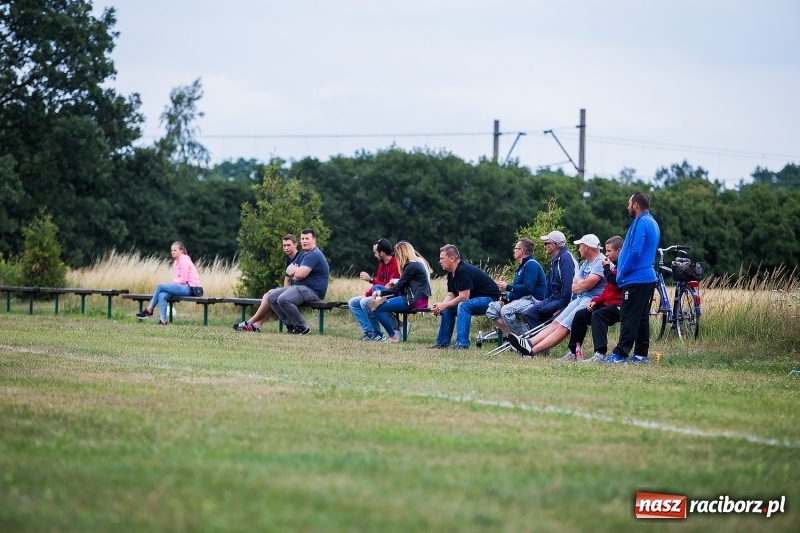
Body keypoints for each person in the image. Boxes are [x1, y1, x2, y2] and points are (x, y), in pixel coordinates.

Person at [509, 234, 606, 358]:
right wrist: (581, 284)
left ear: (587, 247)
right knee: (555, 322)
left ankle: (531, 351)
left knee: (564, 326)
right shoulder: (587, 263)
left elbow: (584, 285)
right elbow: (574, 286)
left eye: (580, 245)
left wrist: (581, 284)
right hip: (581, 298)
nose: (578, 249)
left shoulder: (599, 262)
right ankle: (528, 343)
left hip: (592, 300)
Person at [605, 192, 660, 364]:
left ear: (636, 205)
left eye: (629, 203)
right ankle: (641, 355)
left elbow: (635, 251)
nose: (627, 206)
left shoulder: (640, 222)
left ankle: (620, 354)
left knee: (628, 316)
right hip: (647, 278)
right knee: (641, 318)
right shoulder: (653, 222)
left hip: (636, 278)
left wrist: (622, 273)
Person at [430, 244, 501, 350]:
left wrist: (443, 305)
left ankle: (462, 344)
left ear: (452, 258)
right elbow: (451, 295)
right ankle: (442, 343)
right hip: (474, 300)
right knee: (448, 309)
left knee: (463, 305)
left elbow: (464, 297)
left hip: (491, 300)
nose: (440, 261)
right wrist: (441, 306)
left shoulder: (463, 270)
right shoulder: (451, 274)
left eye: (442, 258)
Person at [567, 236, 625, 363]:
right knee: (580, 315)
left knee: (598, 315)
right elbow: (607, 290)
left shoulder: (623, 267)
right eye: (606, 251)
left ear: (619, 251)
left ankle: (600, 354)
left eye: (609, 251)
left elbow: (616, 284)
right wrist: (595, 301)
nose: (607, 254)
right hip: (607, 304)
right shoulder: (614, 266)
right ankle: (573, 351)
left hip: (620, 305)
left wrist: (606, 269)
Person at [267, 228, 330, 335]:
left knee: (283, 299)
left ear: (314, 240)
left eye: (307, 238)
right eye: (302, 238)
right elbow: (288, 270)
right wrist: (298, 271)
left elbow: (299, 275)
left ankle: (303, 328)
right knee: (272, 297)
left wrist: (296, 271)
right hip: (299, 288)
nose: (304, 241)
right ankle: (292, 326)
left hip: (312, 291)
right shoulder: (305, 254)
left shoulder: (314, 254)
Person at [233, 234, 302, 332]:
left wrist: (286, 293)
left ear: (295, 244)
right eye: (284, 245)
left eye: (288, 245)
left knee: (271, 295)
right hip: (291, 290)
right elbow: (287, 279)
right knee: (268, 295)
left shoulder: (301, 257)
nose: (286, 248)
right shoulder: (289, 259)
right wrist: (285, 291)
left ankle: (250, 322)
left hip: (300, 291)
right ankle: (257, 325)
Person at [367, 241, 433, 342]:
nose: (395, 256)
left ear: (401, 253)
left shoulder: (411, 267)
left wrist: (380, 293)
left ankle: (393, 337)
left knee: (376, 308)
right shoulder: (413, 265)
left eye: (396, 254)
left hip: (414, 300)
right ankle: (380, 301)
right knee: (377, 288)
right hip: (412, 297)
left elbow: (397, 288)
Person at [485, 238, 546, 337]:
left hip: (534, 300)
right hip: (523, 299)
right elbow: (518, 288)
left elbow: (528, 288)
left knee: (506, 310)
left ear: (521, 251)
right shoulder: (521, 266)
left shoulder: (531, 265)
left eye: (516, 248)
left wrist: (507, 287)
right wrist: (508, 299)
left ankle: (527, 339)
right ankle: (511, 337)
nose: (514, 250)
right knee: (492, 310)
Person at [519, 231, 577, 333]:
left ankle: (542, 340)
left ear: (553, 245)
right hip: (553, 298)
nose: (544, 246)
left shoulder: (566, 259)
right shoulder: (554, 260)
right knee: (531, 312)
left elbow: (568, 287)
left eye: (546, 243)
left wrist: (562, 308)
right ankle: (537, 340)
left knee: (544, 311)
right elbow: (549, 285)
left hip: (565, 300)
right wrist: (546, 301)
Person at [136, 241, 202, 325]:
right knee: (161, 295)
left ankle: (149, 309)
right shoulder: (176, 262)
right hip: (182, 287)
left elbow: (183, 280)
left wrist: (174, 282)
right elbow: (178, 278)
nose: (172, 252)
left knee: (160, 286)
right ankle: (163, 321)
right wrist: (174, 283)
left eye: (175, 250)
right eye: (172, 250)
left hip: (191, 288)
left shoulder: (184, 261)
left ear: (181, 251)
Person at [349, 238, 401, 341]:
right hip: (379, 293)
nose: (375, 255)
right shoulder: (382, 264)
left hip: (391, 294)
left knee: (365, 302)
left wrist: (370, 280)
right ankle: (369, 332)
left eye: (375, 252)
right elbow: (378, 283)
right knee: (353, 302)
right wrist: (367, 293)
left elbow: (388, 286)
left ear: (382, 253)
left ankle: (378, 333)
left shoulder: (395, 264)